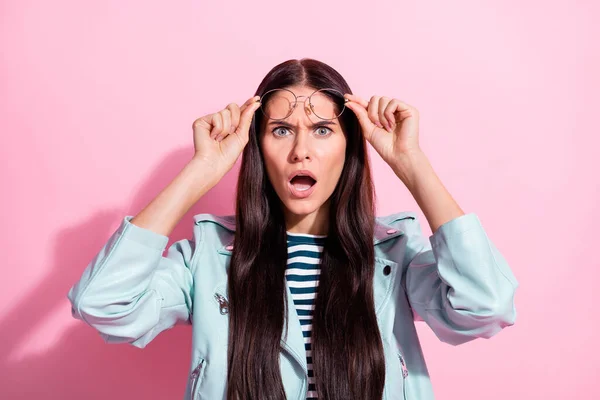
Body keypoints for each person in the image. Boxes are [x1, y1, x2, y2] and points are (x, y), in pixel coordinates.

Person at [67, 58, 519, 400]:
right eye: (281, 131)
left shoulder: (393, 256)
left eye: (322, 130)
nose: (301, 150)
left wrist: (411, 163)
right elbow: (103, 303)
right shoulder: (207, 258)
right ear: (256, 145)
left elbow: (486, 305)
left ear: (349, 147)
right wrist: (200, 171)